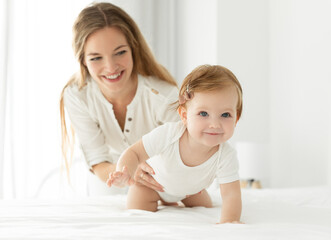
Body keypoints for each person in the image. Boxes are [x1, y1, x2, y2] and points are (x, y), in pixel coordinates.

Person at [59, 2, 179, 195]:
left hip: (162, 186)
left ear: (133, 49)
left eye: (120, 52)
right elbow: (97, 159)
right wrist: (127, 172)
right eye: (96, 58)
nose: (111, 67)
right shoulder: (77, 95)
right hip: (107, 185)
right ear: (82, 60)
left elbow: (189, 154)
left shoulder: (164, 96)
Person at [107, 64, 243, 224]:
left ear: (236, 118)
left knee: (206, 205)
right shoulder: (168, 134)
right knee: (138, 212)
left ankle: (175, 199)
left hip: (189, 192)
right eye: (203, 114)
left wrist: (229, 222)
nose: (214, 124)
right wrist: (124, 171)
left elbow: (231, 195)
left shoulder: (226, 155)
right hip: (151, 186)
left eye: (225, 114)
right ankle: (160, 200)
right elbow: (134, 153)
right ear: (184, 116)